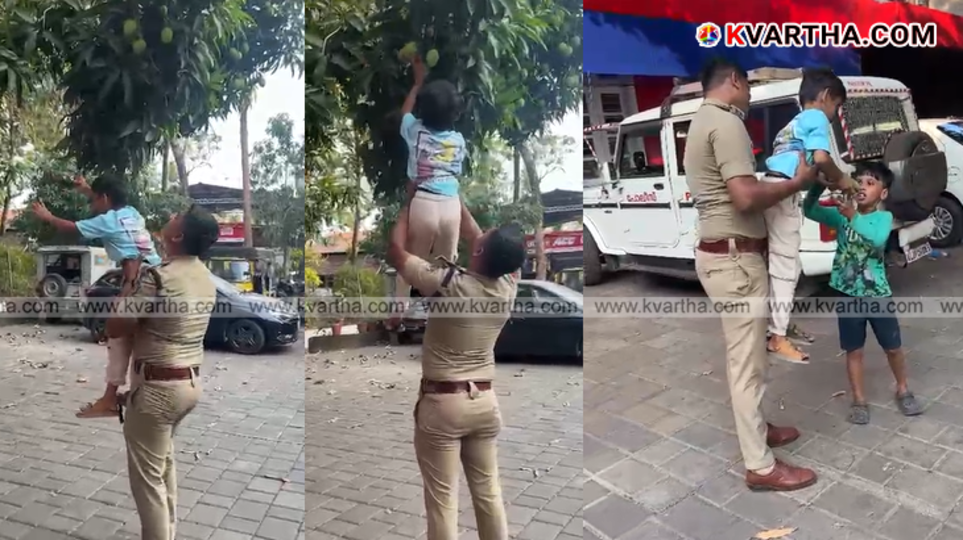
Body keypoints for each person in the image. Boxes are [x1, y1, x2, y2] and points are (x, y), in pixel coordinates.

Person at [684, 57, 829, 491]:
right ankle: (760, 466)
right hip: (735, 262)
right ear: (734, 81)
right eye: (747, 88)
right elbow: (746, 197)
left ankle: (758, 429)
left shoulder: (701, 120)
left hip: (727, 256)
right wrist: (796, 184)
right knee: (746, 364)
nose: (748, 97)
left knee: (751, 356)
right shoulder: (726, 123)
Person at [388, 193, 524, 540]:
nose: (480, 232)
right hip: (485, 405)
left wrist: (410, 202)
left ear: (479, 251)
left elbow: (398, 254)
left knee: (442, 501)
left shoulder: (448, 283)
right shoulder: (508, 286)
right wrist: (451, 193)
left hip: (443, 406)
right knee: (489, 493)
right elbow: (480, 240)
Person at [106, 204, 220, 540]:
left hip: (157, 389)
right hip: (188, 385)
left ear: (178, 234)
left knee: (148, 485)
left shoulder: (159, 277)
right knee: (163, 466)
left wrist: (129, 282)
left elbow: (115, 326)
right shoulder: (203, 275)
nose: (168, 218)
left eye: (174, 218)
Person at [32, 174, 162, 418]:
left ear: (104, 198)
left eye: (94, 201)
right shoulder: (132, 213)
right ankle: (124, 393)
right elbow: (104, 197)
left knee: (117, 335)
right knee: (133, 336)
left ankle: (110, 398)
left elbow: (73, 227)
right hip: (154, 274)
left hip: (138, 279)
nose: (92, 207)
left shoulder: (109, 221)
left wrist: (48, 217)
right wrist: (86, 190)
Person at [803, 162, 923, 424]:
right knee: (853, 350)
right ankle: (859, 400)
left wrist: (852, 216)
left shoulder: (883, 218)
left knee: (892, 347)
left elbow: (877, 239)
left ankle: (903, 388)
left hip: (877, 295)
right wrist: (817, 185)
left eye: (870, 183)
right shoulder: (841, 216)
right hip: (847, 296)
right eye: (858, 182)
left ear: (883, 194)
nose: (862, 187)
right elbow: (808, 210)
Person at [763, 67, 860, 365]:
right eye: (837, 106)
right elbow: (820, 158)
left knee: (780, 265)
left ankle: (779, 324)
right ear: (826, 96)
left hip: (774, 184)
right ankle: (777, 336)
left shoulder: (795, 121)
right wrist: (842, 179)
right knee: (786, 267)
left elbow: (802, 162)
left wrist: (821, 180)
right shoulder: (817, 117)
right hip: (783, 192)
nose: (835, 113)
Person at [391, 53, 468, 327]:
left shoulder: (415, 131)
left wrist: (417, 83)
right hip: (450, 204)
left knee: (411, 260)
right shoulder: (459, 141)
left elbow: (405, 113)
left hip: (423, 201)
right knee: (447, 265)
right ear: (455, 114)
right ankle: (444, 314)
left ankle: (400, 308)